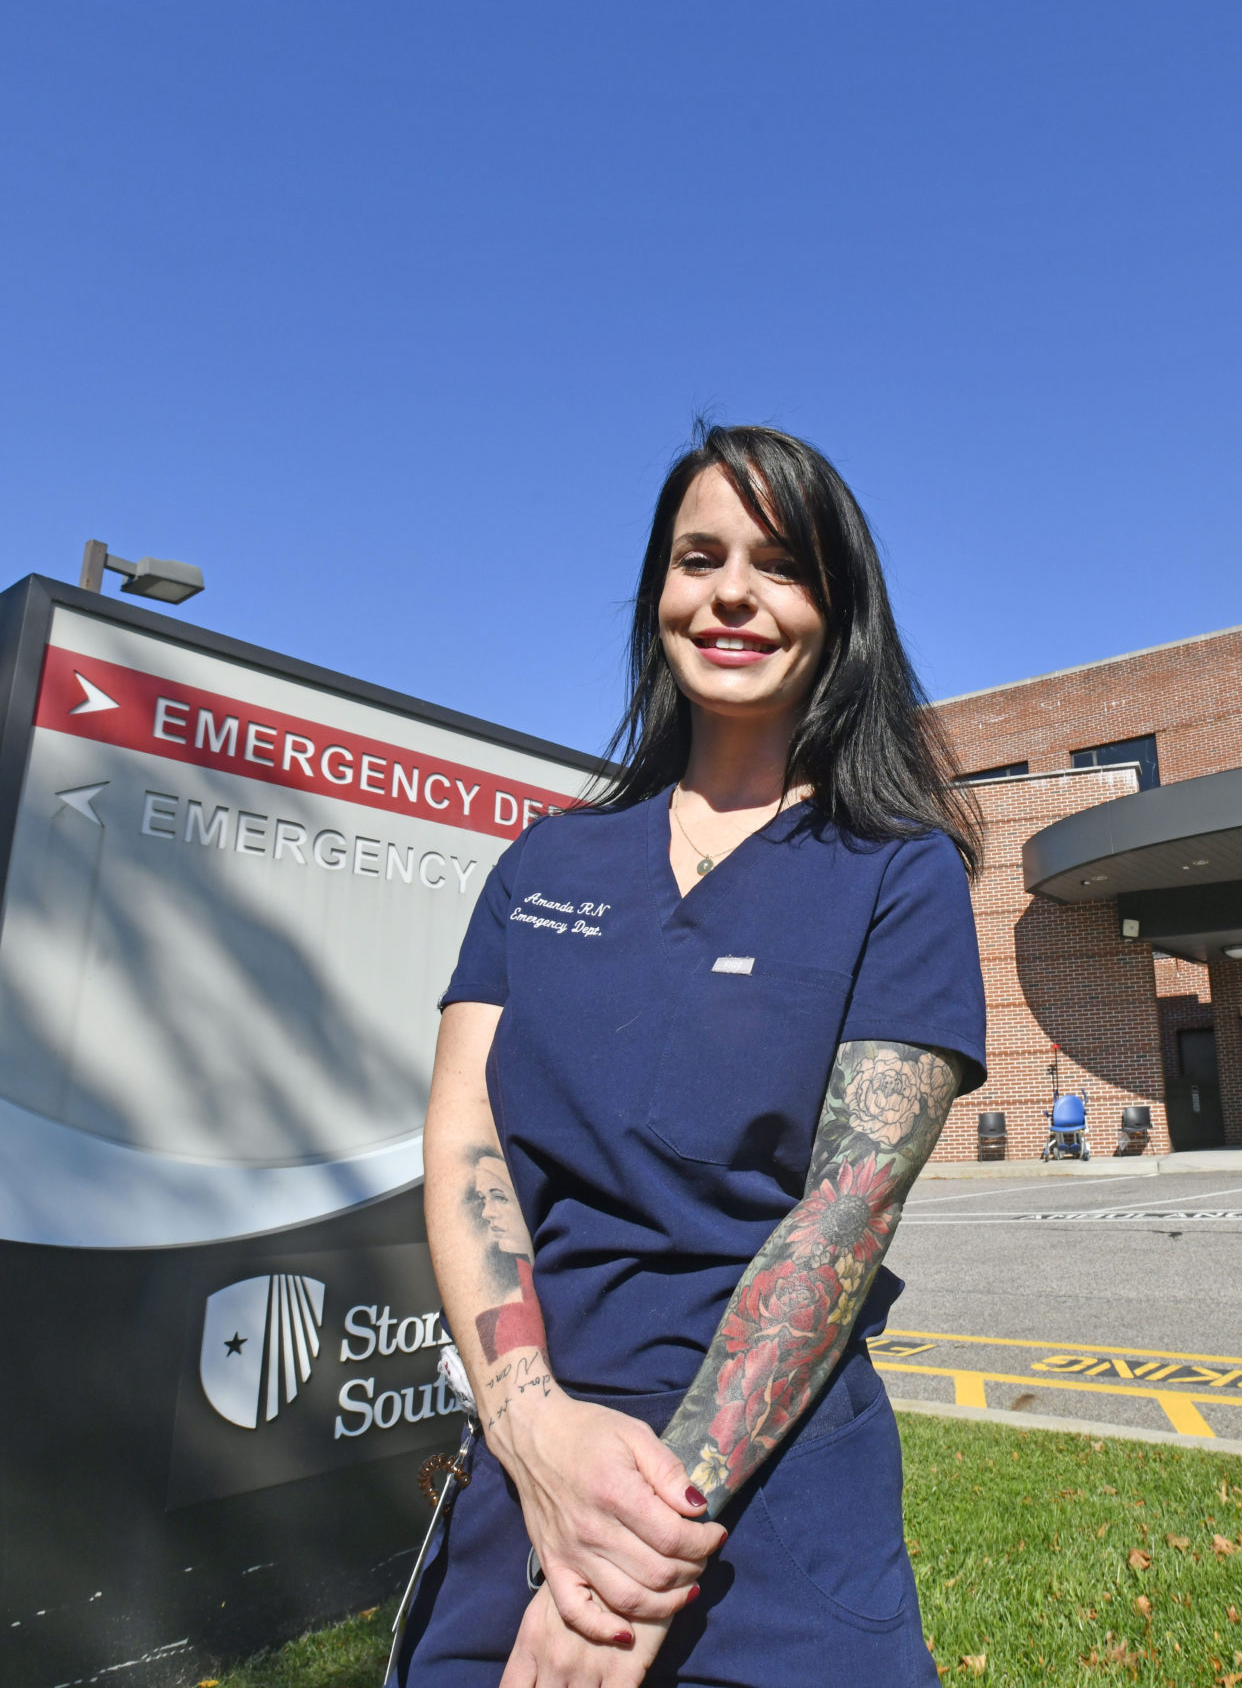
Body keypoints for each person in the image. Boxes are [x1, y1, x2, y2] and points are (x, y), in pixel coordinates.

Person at [396, 425, 988, 1688]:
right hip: (529, 1461)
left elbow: (845, 1214)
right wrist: (536, 1434)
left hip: (767, 1497)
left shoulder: (899, 870)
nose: (729, 594)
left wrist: (632, 1563)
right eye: (695, 557)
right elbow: (464, 1144)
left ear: (837, 609)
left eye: (779, 566)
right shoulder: (544, 864)